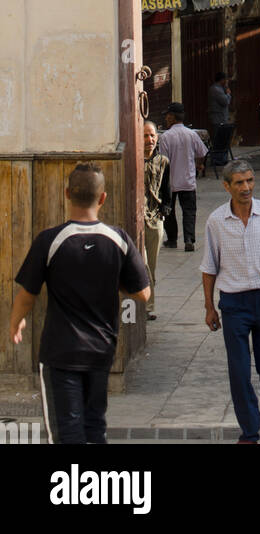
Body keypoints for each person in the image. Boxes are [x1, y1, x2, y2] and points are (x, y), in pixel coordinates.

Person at [10, 162, 150, 445]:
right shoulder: (118, 239)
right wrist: (113, 280)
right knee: (94, 427)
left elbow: (28, 294)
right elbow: (143, 294)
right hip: (101, 350)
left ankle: (71, 488)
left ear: (66, 194)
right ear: (102, 198)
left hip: (60, 352)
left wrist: (16, 321)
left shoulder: (50, 240)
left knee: (66, 433)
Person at [201, 158, 260, 444]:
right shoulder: (216, 220)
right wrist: (209, 307)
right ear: (226, 186)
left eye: (250, 181)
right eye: (239, 183)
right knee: (239, 369)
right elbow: (209, 267)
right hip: (234, 304)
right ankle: (249, 429)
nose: (246, 188)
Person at [159, 103, 208, 251]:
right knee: (189, 211)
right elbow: (202, 153)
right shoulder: (192, 134)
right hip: (188, 181)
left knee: (169, 210)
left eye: (167, 115)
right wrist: (199, 165)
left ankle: (172, 239)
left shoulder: (165, 137)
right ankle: (189, 240)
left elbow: (163, 160)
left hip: (170, 182)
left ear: (172, 117)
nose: (166, 118)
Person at [142, 120, 171, 320]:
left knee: (150, 266)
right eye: (145, 135)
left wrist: (164, 210)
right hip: (136, 219)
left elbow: (167, 190)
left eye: (152, 135)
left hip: (154, 219)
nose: (149, 140)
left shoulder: (163, 161)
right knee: (141, 264)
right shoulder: (134, 160)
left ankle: (148, 307)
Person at [207, 70, 231, 136]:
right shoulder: (216, 89)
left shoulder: (220, 89)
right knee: (219, 138)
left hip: (221, 118)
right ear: (222, 80)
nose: (227, 81)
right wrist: (228, 94)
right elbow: (225, 102)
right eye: (226, 79)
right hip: (218, 119)